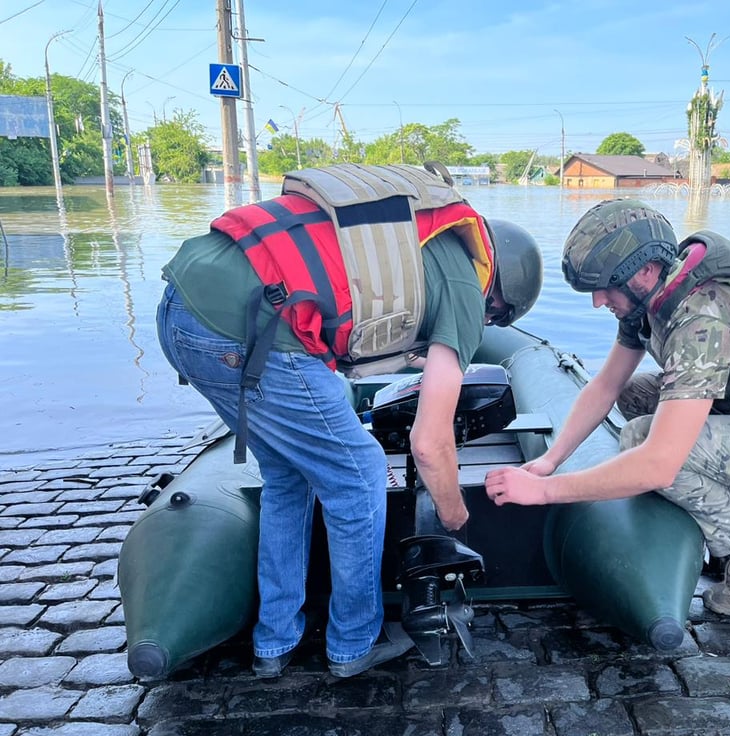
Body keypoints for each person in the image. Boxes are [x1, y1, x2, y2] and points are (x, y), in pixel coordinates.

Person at [156, 162, 543, 679]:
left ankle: (275, 641)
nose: (486, 323)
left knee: (287, 476)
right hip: (250, 334)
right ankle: (353, 643)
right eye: (493, 318)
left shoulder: (426, 238)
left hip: (182, 310)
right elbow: (429, 443)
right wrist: (454, 515)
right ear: (499, 294)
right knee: (358, 475)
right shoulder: (465, 283)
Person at [483, 199, 730, 617]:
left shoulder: (703, 317)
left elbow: (658, 466)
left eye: (604, 287)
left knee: (650, 445)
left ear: (645, 270)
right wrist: (549, 459)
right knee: (633, 403)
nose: (598, 301)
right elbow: (606, 387)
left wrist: (543, 492)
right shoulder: (651, 293)